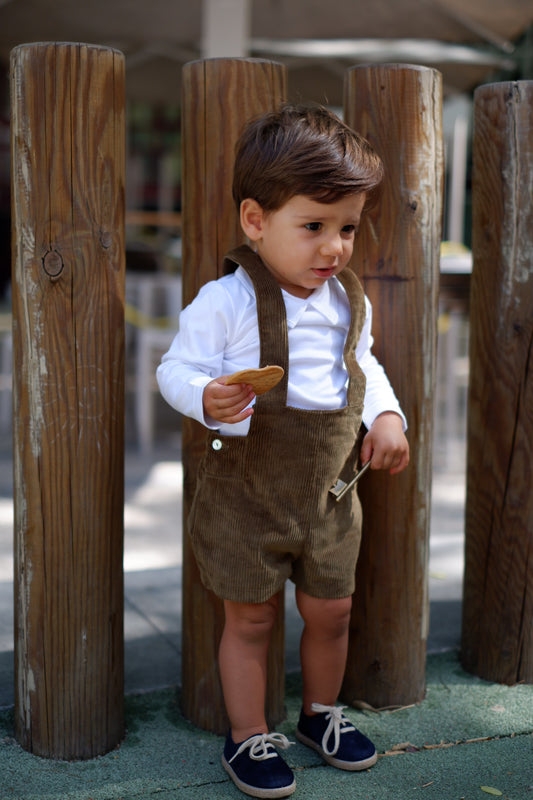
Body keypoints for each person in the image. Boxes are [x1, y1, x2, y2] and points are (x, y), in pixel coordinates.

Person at [157, 104, 409, 799]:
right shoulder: (227, 299)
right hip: (245, 494)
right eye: (314, 227)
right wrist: (204, 395)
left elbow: (363, 365)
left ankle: (320, 716)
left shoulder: (344, 300)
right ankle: (246, 735)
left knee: (332, 609)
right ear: (254, 221)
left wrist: (386, 416)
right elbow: (173, 368)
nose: (333, 248)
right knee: (252, 616)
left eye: (347, 228)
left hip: (329, 491)